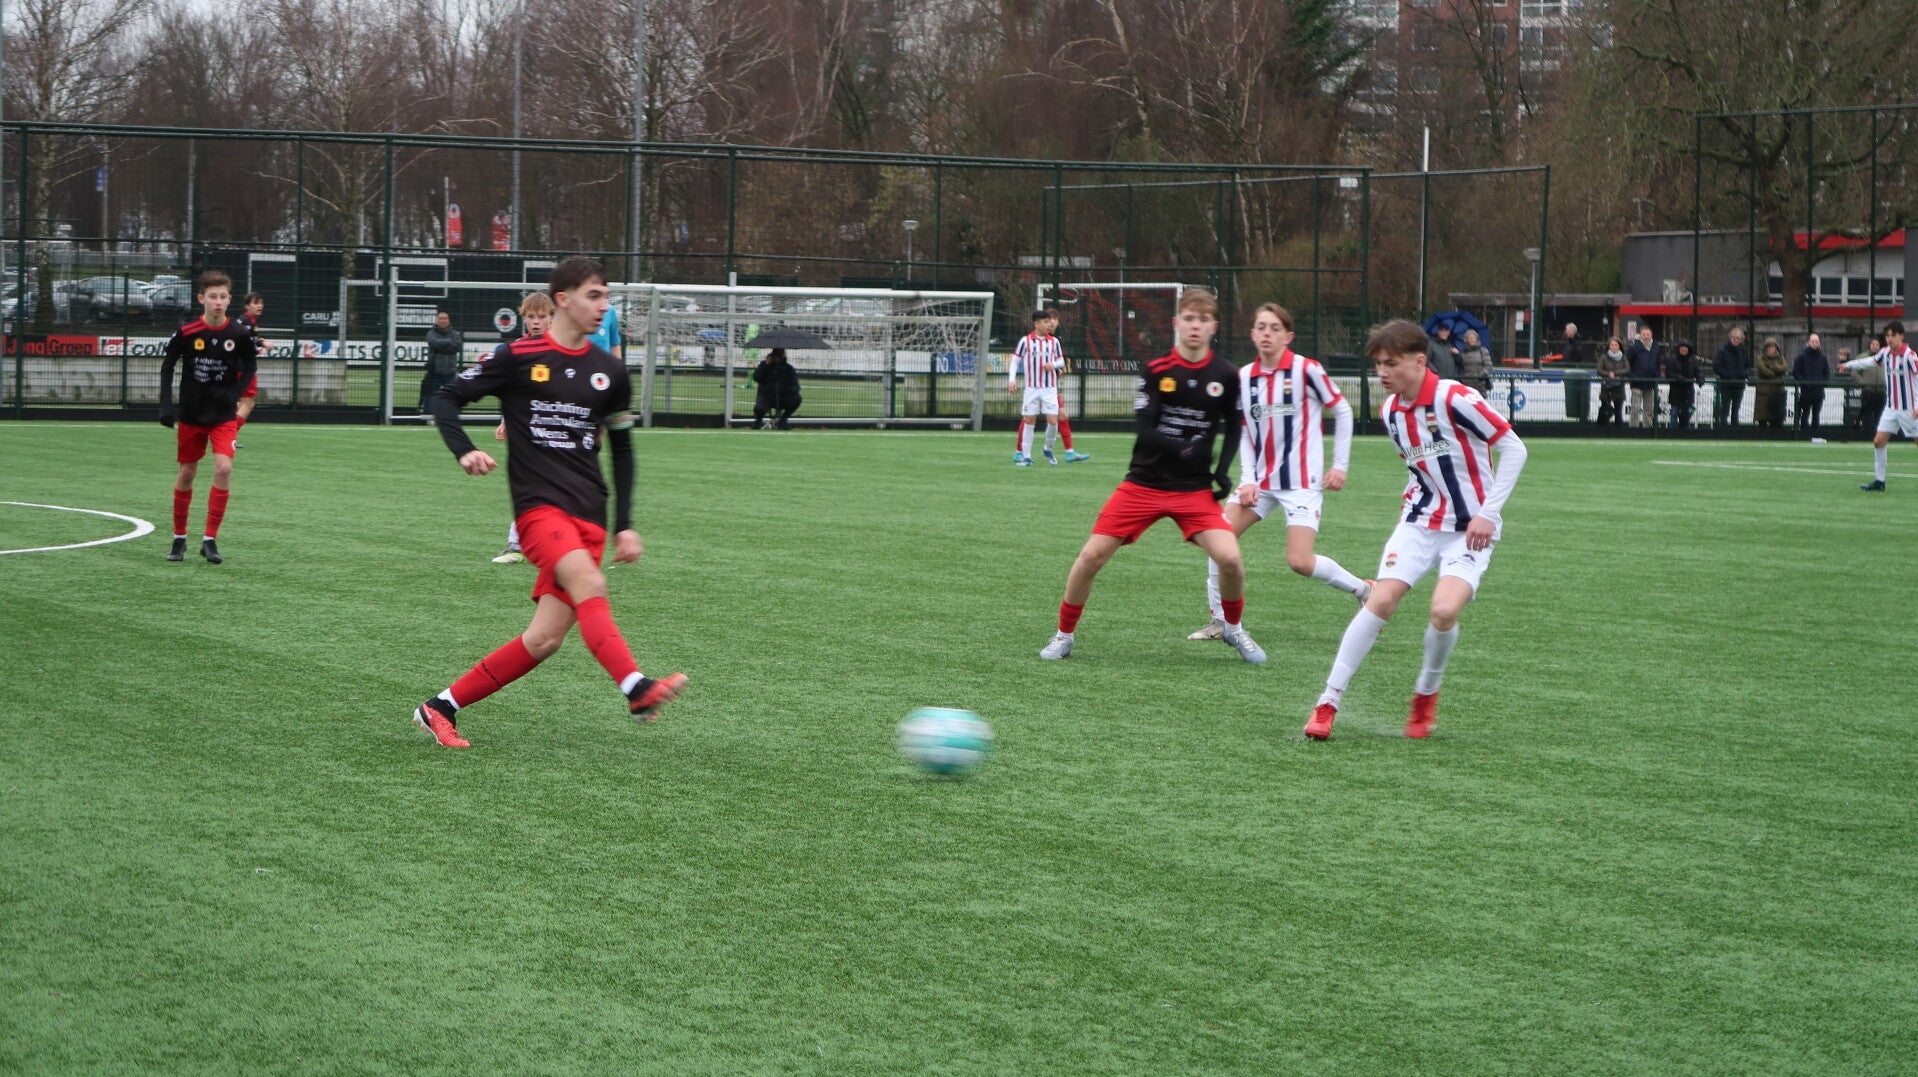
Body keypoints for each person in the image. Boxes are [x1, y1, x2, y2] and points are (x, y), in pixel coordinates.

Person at [412, 256, 686, 748]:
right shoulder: (517, 356)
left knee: (544, 640)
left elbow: (623, 449)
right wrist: (464, 449)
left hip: (589, 515)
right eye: (594, 296)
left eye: (606, 296)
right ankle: (636, 687)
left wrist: (624, 524)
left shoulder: (610, 371)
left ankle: (439, 707)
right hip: (540, 509)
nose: (604, 306)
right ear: (563, 299)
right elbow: (446, 398)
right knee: (590, 582)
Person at [1304, 319, 1528, 741]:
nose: (1382, 373)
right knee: (1382, 598)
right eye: (1377, 365)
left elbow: (1514, 448)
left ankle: (1426, 693)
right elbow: (1417, 466)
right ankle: (1327, 701)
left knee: (1443, 611)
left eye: (1391, 364)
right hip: (1419, 522)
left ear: (1420, 361)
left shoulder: (1456, 398)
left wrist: (1488, 513)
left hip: (1470, 529)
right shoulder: (1390, 411)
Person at [1039, 287, 1262, 663]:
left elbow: (1235, 426)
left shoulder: (1226, 374)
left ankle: (1233, 628)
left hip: (1192, 490)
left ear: (1213, 327)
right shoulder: (1158, 369)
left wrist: (1224, 472)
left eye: (1203, 319)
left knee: (1230, 559)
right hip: (1143, 484)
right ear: (1176, 323)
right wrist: (1183, 448)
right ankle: (1063, 635)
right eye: (1189, 318)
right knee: (1091, 556)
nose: (1195, 325)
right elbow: (1144, 428)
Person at [1186, 303, 1369, 642]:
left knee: (1300, 562)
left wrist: (1339, 466)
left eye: (1274, 328)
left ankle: (1364, 590)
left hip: (1301, 482)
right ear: (1252, 334)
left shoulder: (1306, 370)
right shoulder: (1244, 378)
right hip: (1261, 482)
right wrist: (1248, 480)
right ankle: (1221, 621)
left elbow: (1343, 411)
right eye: (1261, 327)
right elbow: (1244, 431)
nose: (1266, 333)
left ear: (1288, 336)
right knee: (1218, 538)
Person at [157, 270, 259, 564]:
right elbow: (167, 366)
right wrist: (166, 405)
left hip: (223, 416)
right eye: (212, 296)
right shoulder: (187, 332)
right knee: (187, 473)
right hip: (192, 413)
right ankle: (179, 538)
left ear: (229, 300)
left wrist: (235, 393)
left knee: (224, 469)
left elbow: (250, 367)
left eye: (223, 297)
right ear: (201, 298)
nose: (218, 302)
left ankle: (210, 540)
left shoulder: (239, 334)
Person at [491, 290, 555, 564]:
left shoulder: (565, 349)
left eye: (541, 316)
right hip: (527, 429)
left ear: (552, 317)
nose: (536, 322)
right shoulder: (516, 350)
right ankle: (516, 544)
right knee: (531, 487)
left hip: (561, 428)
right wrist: (506, 419)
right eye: (530, 317)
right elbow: (513, 391)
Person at [1836, 321, 1918, 493]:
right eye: (1887, 336)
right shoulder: (1885, 353)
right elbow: (1868, 362)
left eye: (1893, 335)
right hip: (1891, 408)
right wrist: (1848, 365)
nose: (1889, 339)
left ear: (1901, 336)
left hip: (1909, 409)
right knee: (1878, 441)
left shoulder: (1910, 356)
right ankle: (1880, 481)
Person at [1008, 308, 1067, 465]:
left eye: (1050, 322)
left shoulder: (1054, 342)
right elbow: (1015, 361)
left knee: (1053, 421)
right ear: (1036, 324)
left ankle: (1048, 448)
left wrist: (1053, 365)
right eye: (1046, 322)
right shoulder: (1025, 341)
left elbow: (1061, 361)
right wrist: (1012, 380)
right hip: (1032, 388)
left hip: (1049, 388)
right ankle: (1027, 457)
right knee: (1029, 420)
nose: (1049, 324)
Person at [233, 292, 266, 427]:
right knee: (248, 404)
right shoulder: (247, 321)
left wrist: (258, 342)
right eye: (256, 303)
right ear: (247, 306)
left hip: (236, 366)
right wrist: (262, 344)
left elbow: (246, 339)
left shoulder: (246, 321)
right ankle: (229, 434)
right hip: (244, 368)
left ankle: (226, 431)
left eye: (261, 303)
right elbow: (245, 343)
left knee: (238, 403)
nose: (260, 306)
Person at [421, 310, 463, 413]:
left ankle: (452, 414)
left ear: (448, 320)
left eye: (445, 318)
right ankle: (428, 416)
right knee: (431, 395)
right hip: (435, 372)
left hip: (450, 372)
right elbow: (433, 343)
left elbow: (457, 347)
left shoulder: (455, 333)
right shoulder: (431, 333)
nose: (443, 320)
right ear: (437, 320)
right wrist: (448, 342)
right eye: (440, 318)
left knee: (453, 395)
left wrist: (439, 347)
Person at [752, 348, 803, 429]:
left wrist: (785, 389)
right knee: (759, 409)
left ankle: (783, 420)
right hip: (766, 396)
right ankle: (758, 421)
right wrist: (766, 365)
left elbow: (796, 387)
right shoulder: (764, 365)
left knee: (797, 399)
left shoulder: (788, 369)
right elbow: (756, 377)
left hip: (783, 397)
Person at [1790, 333, 1830, 434]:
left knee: (1816, 415)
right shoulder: (1801, 356)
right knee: (1805, 414)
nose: (1815, 343)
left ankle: (1815, 434)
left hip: (1819, 391)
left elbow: (1827, 372)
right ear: (1809, 342)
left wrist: (1823, 383)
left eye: (1817, 341)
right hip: (1806, 391)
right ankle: (1804, 434)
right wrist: (1804, 382)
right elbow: (1795, 372)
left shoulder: (1823, 357)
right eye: (1813, 341)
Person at [1712, 327, 1750, 427]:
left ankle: (1735, 427)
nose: (1736, 340)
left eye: (1738, 338)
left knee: (1736, 408)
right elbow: (1717, 367)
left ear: (1741, 339)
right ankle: (1723, 427)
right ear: (1730, 338)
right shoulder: (1722, 351)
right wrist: (1728, 374)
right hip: (1726, 384)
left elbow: (1748, 366)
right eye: (1734, 337)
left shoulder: (1744, 351)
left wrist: (1744, 374)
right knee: (1725, 407)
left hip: (1739, 384)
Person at [1625, 326, 1662, 428]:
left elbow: (1658, 364)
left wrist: (1657, 376)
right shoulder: (1633, 348)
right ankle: (1634, 429)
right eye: (1644, 334)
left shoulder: (1655, 348)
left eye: (1648, 334)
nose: (1646, 336)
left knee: (1649, 409)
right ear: (1640, 335)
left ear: (1651, 335)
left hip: (1650, 384)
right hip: (1636, 383)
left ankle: (1648, 428)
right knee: (1635, 408)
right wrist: (1633, 377)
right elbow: (1627, 364)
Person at [1665, 339, 1702, 429]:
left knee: (1686, 414)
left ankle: (1685, 433)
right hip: (1675, 390)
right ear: (1678, 348)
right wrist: (1678, 377)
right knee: (1674, 413)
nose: (1683, 349)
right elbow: (1668, 374)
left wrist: (1700, 378)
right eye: (1681, 347)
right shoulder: (1672, 359)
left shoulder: (1693, 360)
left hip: (1688, 390)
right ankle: (1673, 433)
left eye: (1685, 347)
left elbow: (1698, 372)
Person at [1853, 336, 1886, 430]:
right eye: (1873, 344)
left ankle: (1879, 435)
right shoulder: (1862, 357)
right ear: (1869, 345)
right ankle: (1867, 434)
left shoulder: (1884, 358)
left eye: (1877, 344)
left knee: (1880, 416)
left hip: (1881, 392)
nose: (1875, 346)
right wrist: (1862, 383)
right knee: (1867, 416)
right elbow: (1855, 372)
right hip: (1868, 392)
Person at [1754, 337, 1788, 428]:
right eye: (1768, 347)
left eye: (1772, 346)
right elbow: (1764, 371)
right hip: (1763, 393)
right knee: (1762, 420)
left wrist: (1772, 367)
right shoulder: (1760, 358)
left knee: (1776, 418)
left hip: (1777, 393)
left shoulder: (1780, 358)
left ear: (1776, 347)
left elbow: (1784, 368)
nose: (1770, 348)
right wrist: (1777, 373)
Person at [1596, 336, 1628, 426]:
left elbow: (1627, 369)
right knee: (1605, 410)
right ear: (1609, 346)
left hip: (1619, 387)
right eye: (1612, 345)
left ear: (1619, 346)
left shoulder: (1623, 358)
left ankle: (1619, 431)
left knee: (1618, 412)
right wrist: (1608, 374)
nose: (1614, 347)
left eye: (1616, 345)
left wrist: (1616, 373)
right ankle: (1602, 429)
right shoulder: (1604, 357)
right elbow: (1599, 370)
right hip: (1606, 387)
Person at [1456, 329, 1493, 396]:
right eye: (1470, 338)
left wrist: (1481, 375)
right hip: (1466, 385)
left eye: (1474, 338)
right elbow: (1460, 366)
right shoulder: (1462, 353)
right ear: (1466, 340)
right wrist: (1457, 355)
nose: (1472, 340)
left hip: (1480, 385)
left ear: (1477, 339)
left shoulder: (1483, 351)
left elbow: (1488, 365)